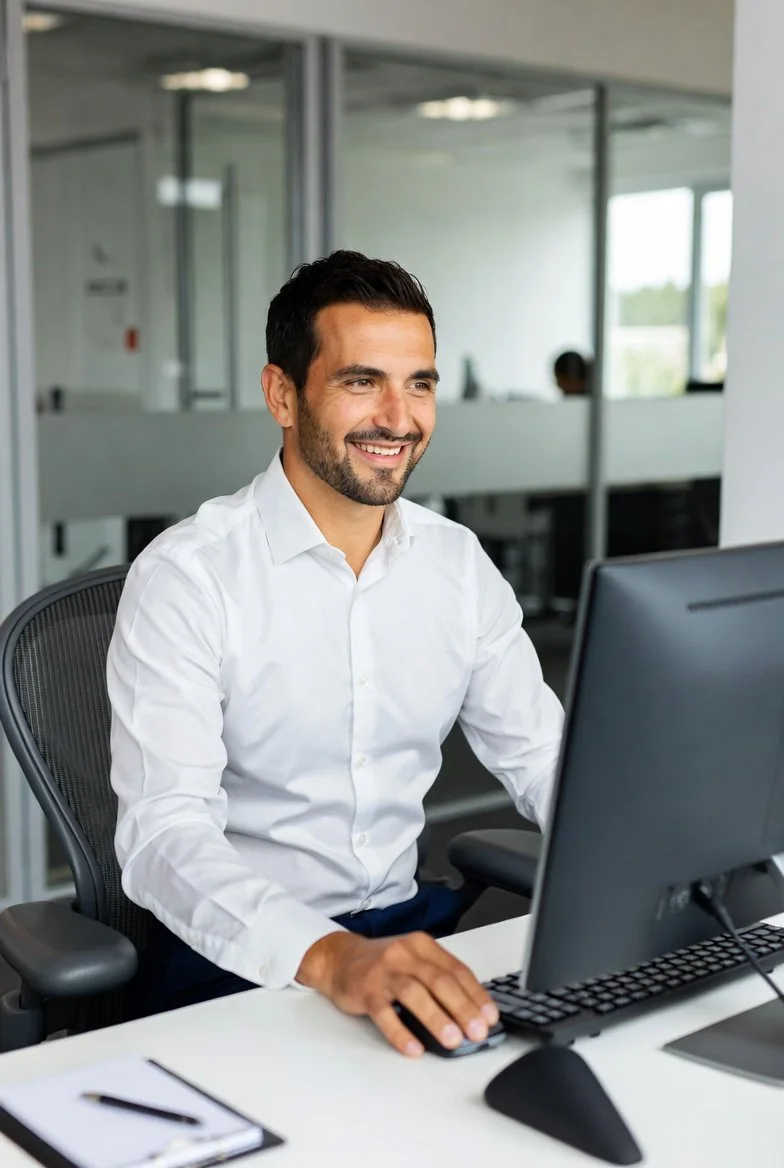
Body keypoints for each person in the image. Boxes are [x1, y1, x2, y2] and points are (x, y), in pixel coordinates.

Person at [108, 250, 564, 1058]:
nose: (398, 417)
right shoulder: (189, 576)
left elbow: (545, 758)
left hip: (403, 929)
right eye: (362, 382)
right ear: (283, 395)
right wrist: (328, 955)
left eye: (419, 383)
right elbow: (162, 838)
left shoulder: (456, 566)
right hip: (236, 959)